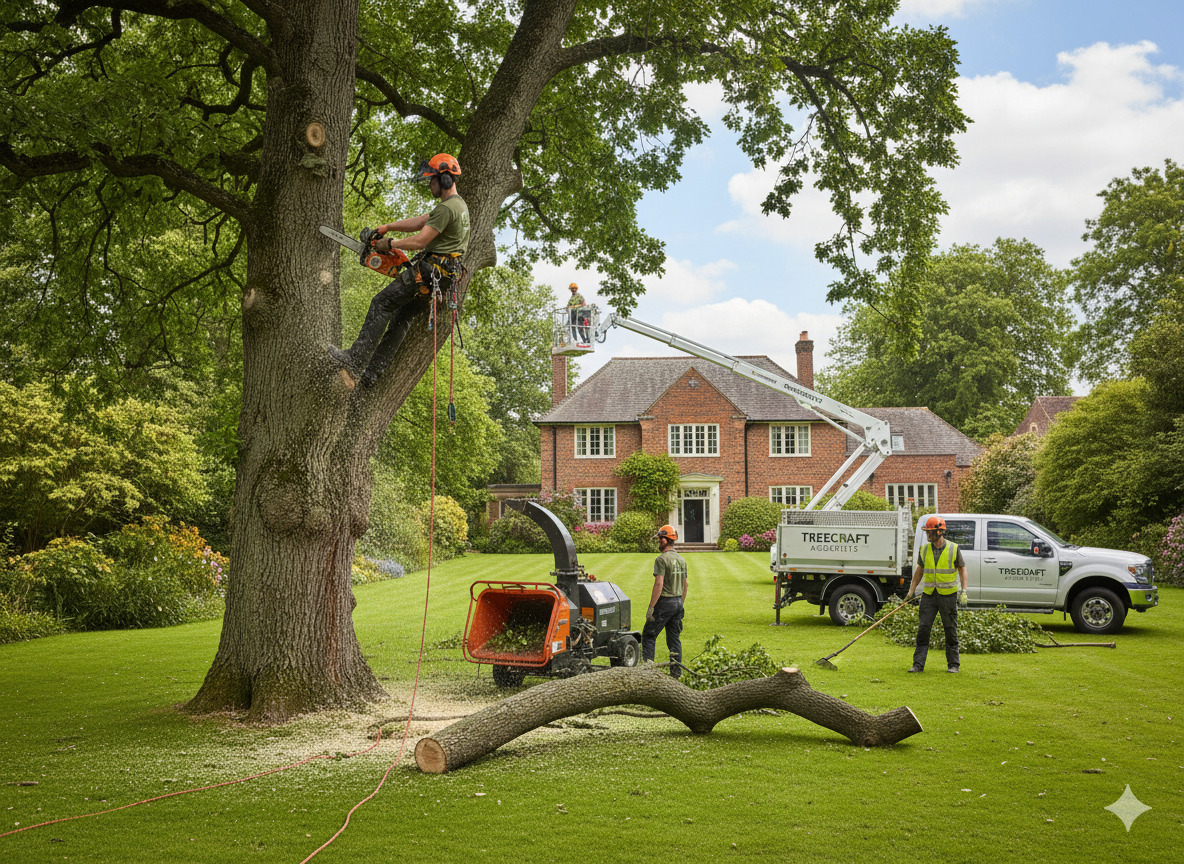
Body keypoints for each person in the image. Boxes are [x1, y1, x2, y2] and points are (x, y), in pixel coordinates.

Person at [329, 153, 470, 387]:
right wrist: (386, 227)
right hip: (443, 279)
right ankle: (372, 374)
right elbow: (421, 221)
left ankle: (354, 359)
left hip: (429, 272)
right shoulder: (457, 205)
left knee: (381, 303)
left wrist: (390, 244)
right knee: (401, 316)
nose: (430, 184)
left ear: (444, 179)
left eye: (432, 180)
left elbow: (420, 241)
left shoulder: (447, 209)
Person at [905, 515, 969, 673]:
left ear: (939, 532)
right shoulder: (924, 549)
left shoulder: (953, 548)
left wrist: (964, 591)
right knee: (923, 628)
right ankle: (918, 664)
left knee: (950, 629)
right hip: (929, 595)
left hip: (948, 596)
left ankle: (953, 665)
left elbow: (962, 569)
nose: (927, 535)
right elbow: (919, 572)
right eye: (926, 532)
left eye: (930, 532)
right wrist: (910, 591)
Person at [642, 524, 689, 678]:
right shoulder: (681, 560)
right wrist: (680, 603)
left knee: (649, 635)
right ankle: (676, 674)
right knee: (674, 640)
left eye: (660, 538)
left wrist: (651, 608)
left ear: (664, 540)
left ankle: (647, 673)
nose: (658, 541)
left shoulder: (661, 560)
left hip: (664, 603)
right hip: (677, 603)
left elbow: (659, 584)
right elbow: (686, 584)